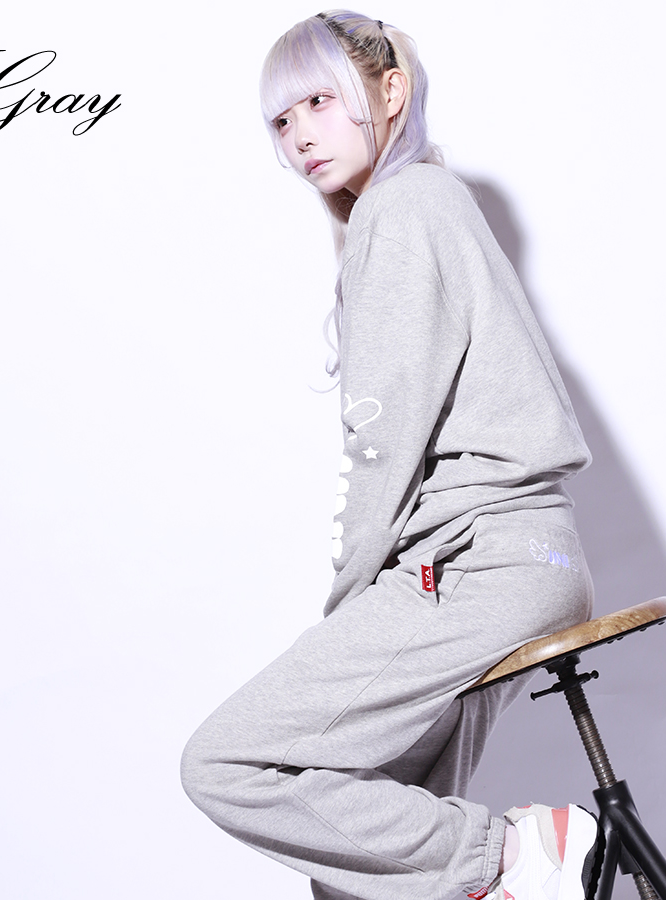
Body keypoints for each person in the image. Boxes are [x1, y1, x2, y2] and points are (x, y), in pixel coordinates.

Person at [181, 10, 600, 900]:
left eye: (319, 102)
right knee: (357, 865)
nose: (299, 136)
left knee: (228, 763)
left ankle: (513, 854)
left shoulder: (402, 208)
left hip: (477, 567)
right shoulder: (433, 205)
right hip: (527, 560)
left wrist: (348, 606)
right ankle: (496, 867)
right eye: (280, 120)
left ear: (391, 92)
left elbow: (384, 445)